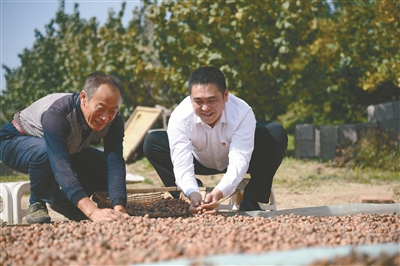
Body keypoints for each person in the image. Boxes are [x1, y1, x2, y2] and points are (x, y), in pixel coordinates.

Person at [143, 66, 288, 215]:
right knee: (153, 142)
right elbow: (181, 164)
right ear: (190, 97)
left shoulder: (242, 112)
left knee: (276, 133)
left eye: (212, 100)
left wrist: (218, 193)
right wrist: (192, 192)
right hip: (199, 159)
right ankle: (188, 198)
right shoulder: (180, 116)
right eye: (198, 101)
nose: (205, 108)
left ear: (226, 95)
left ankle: (251, 198)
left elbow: (240, 161)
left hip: (238, 157)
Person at [0, 72, 130, 224]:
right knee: (44, 151)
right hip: (12, 140)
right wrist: (93, 212)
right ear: (83, 98)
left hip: (62, 148)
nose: (105, 117)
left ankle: (64, 203)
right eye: (100, 108)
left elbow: (115, 163)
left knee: (102, 165)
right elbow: (61, 166)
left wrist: (119, 209)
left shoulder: (114, 121)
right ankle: (37, 202)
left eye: (112, 111)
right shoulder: (58, 114)